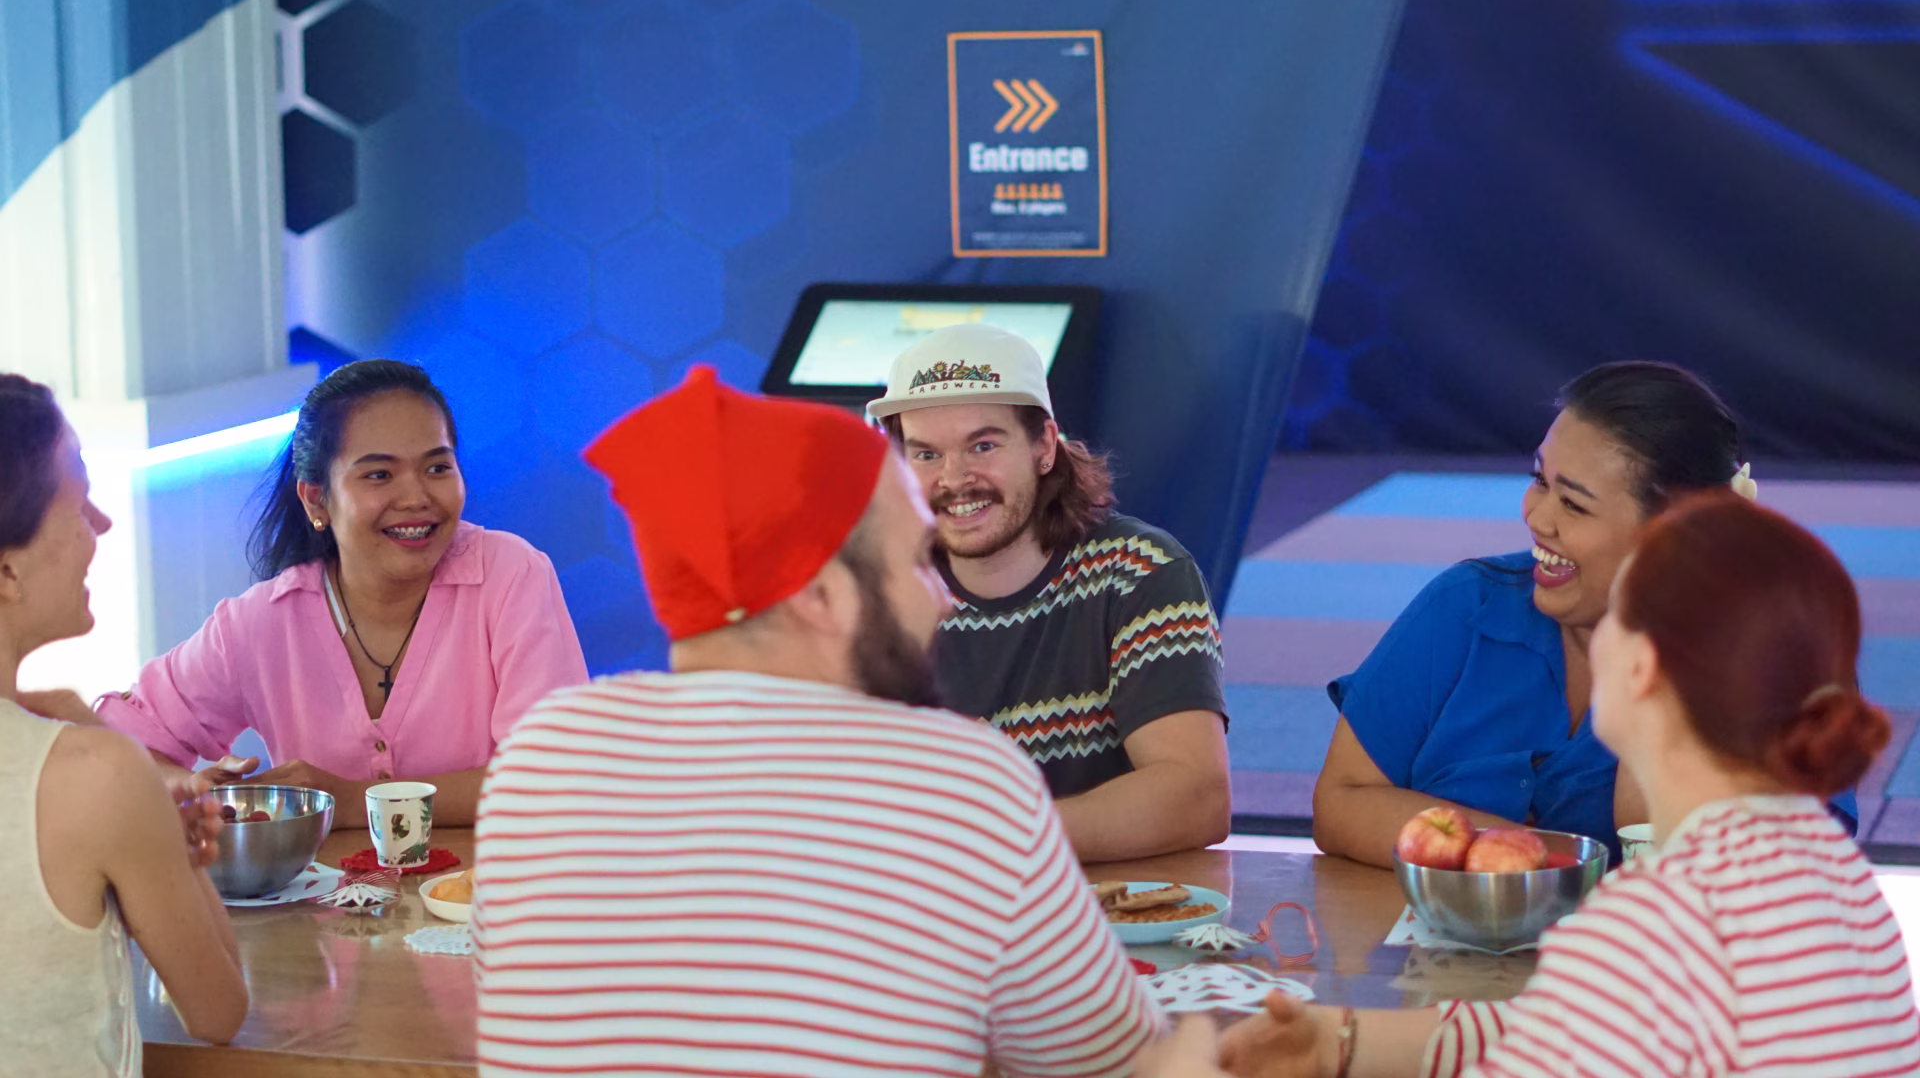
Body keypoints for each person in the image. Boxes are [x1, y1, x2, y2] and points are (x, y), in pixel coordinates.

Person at [474, 367, 1162, 1077]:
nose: (943, 601)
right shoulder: (966, 784)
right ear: (824, 596)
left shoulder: (542, 755)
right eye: (922, 562)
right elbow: (1119, 1066)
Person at [1142, 493, 1920, 1077]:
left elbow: (1595, 1004)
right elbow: (1559, 1023)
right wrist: (1345, 1043)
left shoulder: (1648, 930)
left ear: (1642, 669)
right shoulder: (1831, 874)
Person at [1312, 362, 1855, 867]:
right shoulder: (1464, 606)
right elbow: (1341, 801)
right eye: (1540, 480)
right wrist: (1529, 858)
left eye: (1573, 504)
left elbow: (1678, 863)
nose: (1536, 517)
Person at [57, 360, 588, 827]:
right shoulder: (260, 623)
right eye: (379, 474)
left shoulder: (511, 575)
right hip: (320, 933)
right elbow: (115, 743)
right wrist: (189, 790)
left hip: (491, 915)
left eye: (438, 467)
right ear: (317, 498)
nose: (416, 497)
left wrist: (351, 803)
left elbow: (550, 783)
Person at [866, 323, 1230, 862]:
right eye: (925, 455)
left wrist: (995, 842)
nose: (955, 478)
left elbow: (1196, 797)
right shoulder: (874, 584)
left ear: (1043, 446)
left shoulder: (1139, 570)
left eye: (983, 445)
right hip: (925, 908)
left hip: (1107, 914)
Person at [0, 374, 247, 1072]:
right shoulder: (95, 775)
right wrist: (163, 831)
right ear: (8, 573)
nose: (101, 525)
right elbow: (220, 1012)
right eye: (77, 505)